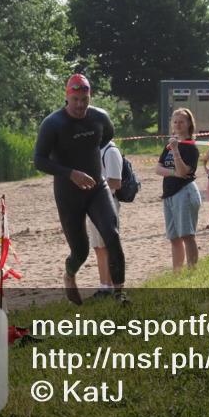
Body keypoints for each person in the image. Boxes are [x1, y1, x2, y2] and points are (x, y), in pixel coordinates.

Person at [34, 74, 125, 305]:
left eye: (84, 99)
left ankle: (120, 294)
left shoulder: (100, 117)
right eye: (75, 99)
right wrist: (70, 173)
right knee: (81, 251)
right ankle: (70, 274)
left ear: (89, 97)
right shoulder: (52, 124)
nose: (80, 105)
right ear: (67, 97)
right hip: (68, 195)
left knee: (112, 235)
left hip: (97, 188)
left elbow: (106, 138)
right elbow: (39, 161)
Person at [156, 109, 201, 271]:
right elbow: (158, 169)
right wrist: (174, 173)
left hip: (185, 193)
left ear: (189, 124)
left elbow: (184, 172)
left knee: (187, 235)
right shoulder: (170, 144)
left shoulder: (190, 148)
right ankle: (177, 272)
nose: (177, 125)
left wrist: (175, 151)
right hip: (169, 193)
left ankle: (192, 270)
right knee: (174, 237)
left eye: (181, 121)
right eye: (175, 122)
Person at [84, 139, 123, 297]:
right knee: (98, 246)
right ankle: (104, 285)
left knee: (107, 246)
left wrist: (93, 185)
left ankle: (111, 287)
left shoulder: (110, 151)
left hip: (106, 202)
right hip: (93, 202)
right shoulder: (95, 150)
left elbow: (116, 182)